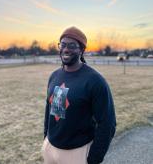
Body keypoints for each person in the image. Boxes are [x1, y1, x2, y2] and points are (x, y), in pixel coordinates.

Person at [42, 26, 116, 164]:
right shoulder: (54, 76)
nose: (66, 49)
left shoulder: (95, 80)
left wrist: (94, 158)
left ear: (82, 50)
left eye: (72, 45)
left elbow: (108, 123)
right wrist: (46, 136)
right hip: (50, 149)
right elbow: (49, 108)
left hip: (77, 153)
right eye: (62, 44)